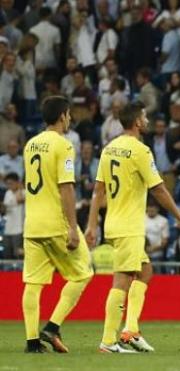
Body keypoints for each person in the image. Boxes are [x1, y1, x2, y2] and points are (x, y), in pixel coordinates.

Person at [85, 102, 180, 353]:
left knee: (145, 272)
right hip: (129, 225)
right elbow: (158, 188)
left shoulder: (109, 148)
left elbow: (98, 190)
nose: (147, 120)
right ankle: (108, 341)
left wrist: (93, 224)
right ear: (137, 122)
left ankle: (130, 330)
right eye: (144, 117)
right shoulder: (140, 151)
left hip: (114, 222)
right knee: (122, 280)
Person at [22, 96, 93, 353]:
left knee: (33, 283)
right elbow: (66, 188)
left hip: (32, 224)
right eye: (69, 114)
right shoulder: (64, 146)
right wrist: (73, 228)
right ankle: (52, 327)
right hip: (56, 224)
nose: (70, 118)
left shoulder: (30, 145)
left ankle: (32, 343)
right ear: (63, 115)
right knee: (83, 273)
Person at [1, 172, 24, 259]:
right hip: (7, 229)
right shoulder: (8, 193)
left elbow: (19, 199)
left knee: (18, 255)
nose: (9, 186)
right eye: (7, 184)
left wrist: (20, 187)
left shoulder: (24, 192)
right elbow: (5, 209)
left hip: (18, 230)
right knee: (7, 255)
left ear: (17, 182)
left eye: (11, 183)